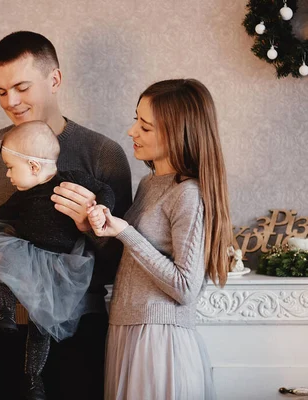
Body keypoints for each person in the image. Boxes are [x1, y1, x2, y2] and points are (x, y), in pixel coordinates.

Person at [0, 31, 132, 400]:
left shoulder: (103, 154)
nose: (10, 101)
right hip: (5, 329)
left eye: (21, 87)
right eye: (0, 91)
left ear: (55, 80)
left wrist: (89, 229)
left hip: (80, 328)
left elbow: (125, 261)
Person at [86, 79, 232, 400]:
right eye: (136, 119)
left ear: (179, 133)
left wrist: (125, 231)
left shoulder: (188, 194)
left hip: (159, 344)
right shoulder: (149, 184)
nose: (132, 132)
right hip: (128, 332)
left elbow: (185, 288)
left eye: (146, 127)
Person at [0, 121, 115, 399]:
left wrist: (101, 209)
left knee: (42, 326)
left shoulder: (73, 178)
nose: (8, 175)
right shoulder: (21, 197)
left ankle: (34, 378)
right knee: (4, 261)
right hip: (26, 252)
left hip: (59, 263)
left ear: (35, 167)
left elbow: (104, 189)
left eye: (11, 168)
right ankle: (6, 316)